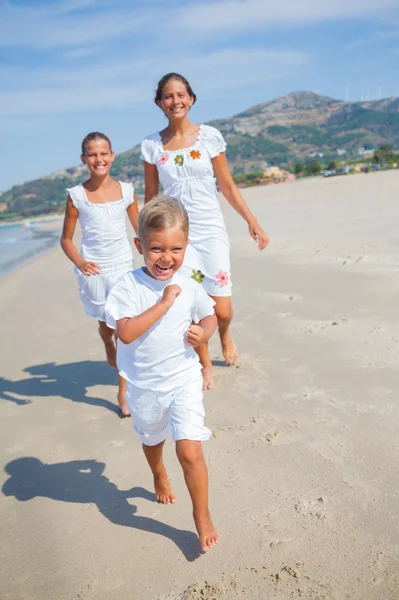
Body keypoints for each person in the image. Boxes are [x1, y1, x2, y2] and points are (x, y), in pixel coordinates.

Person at [140, 72, 269, 391]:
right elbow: (151, 196)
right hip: (177, 236)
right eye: (168, 96)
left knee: (222, 308)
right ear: (160, 103)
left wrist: (251, 220)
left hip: (210, 230)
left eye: (181, 94)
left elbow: (226, 185)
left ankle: (224, 332)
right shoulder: (152, 146)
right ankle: (204, 362)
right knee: (192, 302)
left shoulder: (209, 137)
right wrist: (147, 241)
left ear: (191, 98)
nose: (175, 101)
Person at [104, 196, 219, 553]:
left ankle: (201, 515)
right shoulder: (128, 286)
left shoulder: (190, 282)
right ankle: (157, 472)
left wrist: (207, 332)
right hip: (144, 385)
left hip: (183, 378)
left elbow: (209, 314)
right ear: (139, 246)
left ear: (186, 246)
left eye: (176, 249)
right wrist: (163, 303)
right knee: (153, 440)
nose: (166, 258)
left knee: (190, 451)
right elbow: (125, 332)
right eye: (156, 249)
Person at [60, 131, 139, 417]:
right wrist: (81, 263)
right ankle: (106, 342)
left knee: (123, 330)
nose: (99, 159)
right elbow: (66, 239)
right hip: (94, 271)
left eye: (103, 153)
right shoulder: (76, 196)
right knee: (107, 328)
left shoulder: (127, 191)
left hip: (122, 268)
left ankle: (123, 392)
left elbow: (140, 229)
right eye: (92, 154)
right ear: (84, 159)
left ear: (112, 155)